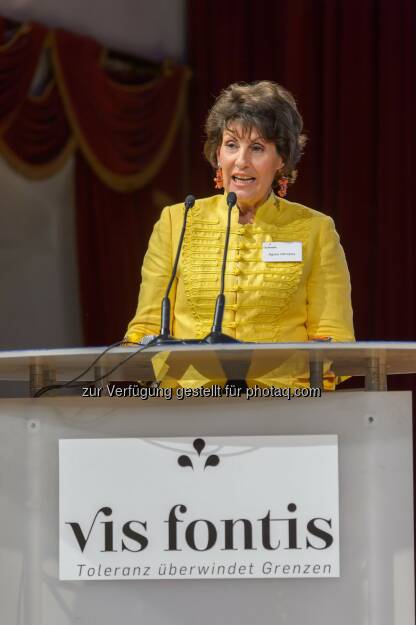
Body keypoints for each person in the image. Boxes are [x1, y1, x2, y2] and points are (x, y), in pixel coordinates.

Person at [124, 81, 354, 388]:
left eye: (257, 148)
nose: (241, 161)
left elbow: (335, 341)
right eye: (231, 145)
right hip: (186, 412)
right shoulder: (176, 221)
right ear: (218, 154)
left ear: (281, 160)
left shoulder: (316, 230)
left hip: (284, 410)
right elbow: (146, 328)